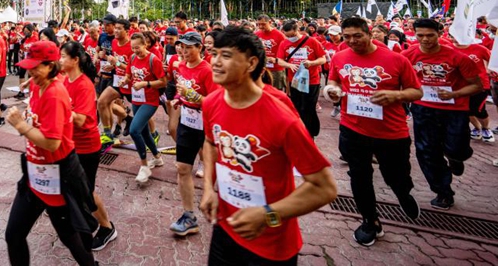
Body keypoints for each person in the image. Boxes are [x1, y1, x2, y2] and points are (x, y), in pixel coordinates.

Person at [199, 27, 337, 266]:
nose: (216, 62)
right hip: (225, 227)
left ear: (251, 63)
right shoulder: (212, 102)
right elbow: (211, 143)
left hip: (271, 245)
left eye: (226, 56)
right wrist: (209, 189)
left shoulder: (281, 118)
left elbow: (324, 188)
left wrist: (267, 215)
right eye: (214, 54)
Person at [326, 18, 423, 246]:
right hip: (352, 128)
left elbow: (416, 92)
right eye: (347, 36)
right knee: (359, 177)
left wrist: (396, 96)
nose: (352, 41)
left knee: (395, 176)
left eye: (357, 35)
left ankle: (403, 192)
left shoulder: (396, 59)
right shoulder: (340, 57)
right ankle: (370, 221)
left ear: (369, 33)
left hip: (391, 132)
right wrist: (332, 90)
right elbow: (333, 81)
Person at [5, 41, 97, 266]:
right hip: (33, 175)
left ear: (51, 66)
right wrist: (27, 119)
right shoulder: (38, 85)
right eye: (29, 66)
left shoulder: (55, 94)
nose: (31, 71)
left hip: (58, 177)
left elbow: (53, 143)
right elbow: (35, 117)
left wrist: (21, 126)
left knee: (69, 238)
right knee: (13, 235)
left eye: (36, 67)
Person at [402, 19, 482, 210]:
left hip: (454, 110)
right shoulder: (407, 55)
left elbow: (476, 85)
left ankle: (456, 158)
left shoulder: (457, 57)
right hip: (423, 109)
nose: (425, 39)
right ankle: (443, 191)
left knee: (457, 148)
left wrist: (454, 94)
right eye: (420, 35)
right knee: (427, 151)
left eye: (430, 35)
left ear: (440, 33)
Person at [60, 41, 118, 251]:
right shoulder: (65, 80)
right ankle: (76, 220)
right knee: (72, 188)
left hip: (86, 148)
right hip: (70, 144)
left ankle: (106, 227)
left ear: (75, 60)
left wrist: (59, 107)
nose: (60, 60)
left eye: (63, 57)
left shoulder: (83, 85)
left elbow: (82, 120)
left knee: (87, 192)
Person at [170, 31, 218, 237]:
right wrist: (179, 99)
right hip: (187, 122)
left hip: (206, 124)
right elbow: (182, 90)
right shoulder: (180, 67)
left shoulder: (208, 71)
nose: (185, 50)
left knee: (216, 171)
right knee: (182, 168)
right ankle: (189, 216)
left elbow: (215, 101)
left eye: (190, 47)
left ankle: (224, 210)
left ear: (200, 48)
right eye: (183, 46)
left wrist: (193, 96)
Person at [122, 32, 167, 185]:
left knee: (134, 130)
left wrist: (146, 84)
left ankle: (144, 166)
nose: (135, 51)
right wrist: (124, 80)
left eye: (138, 47)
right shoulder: (133, 58)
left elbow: (163, 82)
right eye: (133, 48)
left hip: (150, 101)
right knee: (144, 132)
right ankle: (157, 157)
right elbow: (129, 75)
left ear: (145, 44)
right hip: (137, 99)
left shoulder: (154, 60)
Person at [276, 21, 326, 138]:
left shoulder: (312, 41)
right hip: (295, 81)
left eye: (292, 35)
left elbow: (323, 59)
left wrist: (312, 63)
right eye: (287, 36)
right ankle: (300, 130)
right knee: (297, 106)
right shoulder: (284, 43)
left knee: (308, 107)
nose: (290, 38)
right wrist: (289, 65)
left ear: (297, 30)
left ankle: (310, 132)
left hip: (311, 81)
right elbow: (279, 60)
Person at [449, 36, 494, 142]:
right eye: (452, 35)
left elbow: (493, 60)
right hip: (459, 86)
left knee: (478, 109)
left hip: (480, 85)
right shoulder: (448, 48)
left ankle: (486, 129)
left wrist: (489, 69)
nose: (455, 37)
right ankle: (477, 128)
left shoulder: (479, 48)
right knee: (466, 110)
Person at [255, 15, 287, 92]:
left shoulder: (279, 35)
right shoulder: (257, 34)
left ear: (270, 22)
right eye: (258, 24)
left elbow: (286, 50)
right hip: (262, 69)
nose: (260, 26)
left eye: (263, 24)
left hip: (276, 69)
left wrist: (276, 59)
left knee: (276, 92)